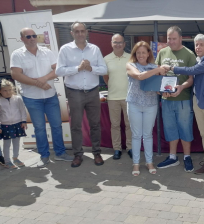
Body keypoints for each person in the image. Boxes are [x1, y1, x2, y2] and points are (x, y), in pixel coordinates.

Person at [162, 34, 204, 181]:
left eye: (201, 44)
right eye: (196, 45)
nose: (198, 47)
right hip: (198, 101)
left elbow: (192, 71)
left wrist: (171, 68)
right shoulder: (198, 59)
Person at [11, 27, 73, 168]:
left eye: (34, 36)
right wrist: (38, 83)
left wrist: (43, 79)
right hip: (31, 98)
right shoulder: (17, 54)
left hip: (50, 96)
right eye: (28, 36)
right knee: (39, 128)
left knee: (57, 126)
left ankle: (60, 153)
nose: (32, 38)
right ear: (22, 39)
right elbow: (16, 74)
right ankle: (44, 156)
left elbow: (57, 69)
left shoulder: (47, 51)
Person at [56, 22, 108, 168]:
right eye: (77, 31)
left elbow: (103, 70)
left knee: (95, 124)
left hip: (92, 91)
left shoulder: (95, 49)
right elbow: (59, 71)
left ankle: (96, 152)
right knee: (76, 126)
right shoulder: (65, 49)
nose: (80, 34)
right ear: (72, 33)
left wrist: (91, 68)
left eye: (82, 31)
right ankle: (78, 154)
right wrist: (77, 68)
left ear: (86, 32)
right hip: (74, 92)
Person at [155, 26, 197, 172]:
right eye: (169, 38)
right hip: (166, 100)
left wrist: (181, 87)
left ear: (180, 38)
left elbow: (192, 79)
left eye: (174, 38)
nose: (171, 41)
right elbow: (157, 74)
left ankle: (187, 157)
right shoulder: (162, 52)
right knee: (170, 128)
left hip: (183, 99)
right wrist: (160, 91)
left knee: (185, 128)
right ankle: (172, 157)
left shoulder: (189, 54)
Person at [126, 41, 166, 176]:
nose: (141, 55)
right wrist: (157, 70)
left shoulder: (155, 67)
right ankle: (136, 163)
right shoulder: (131, 65)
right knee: (136, 135)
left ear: (148, 53)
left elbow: (158, 88)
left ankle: (149, 162)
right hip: (134, 104)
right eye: (138, 53)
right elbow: (139, 76)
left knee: (148, 135)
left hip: (151, 104)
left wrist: (165, 90)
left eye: (144, 52)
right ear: (135, 54)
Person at [103, 34, 132, 160]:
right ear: (111, 43)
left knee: (129, 124)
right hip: (113, 97)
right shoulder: (106, 59)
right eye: (115, 42)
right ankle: (117, 149)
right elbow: (106, 77)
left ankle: (130, 148)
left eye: (120, 42)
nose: (118, 44)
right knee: (115, 125)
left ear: (124, 44)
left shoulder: (131, 58)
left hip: (129, 97)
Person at [0, 79, 27, 169]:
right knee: (6, 144)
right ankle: (7, 161)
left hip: (17, 124)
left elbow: (22, 110)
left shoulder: (17, 98)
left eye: (9, 90)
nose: (8, 92)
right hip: (5, 125)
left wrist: (23, 121)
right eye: (5, 90)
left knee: (16, 142)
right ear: (0, 91)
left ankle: (15, 158)